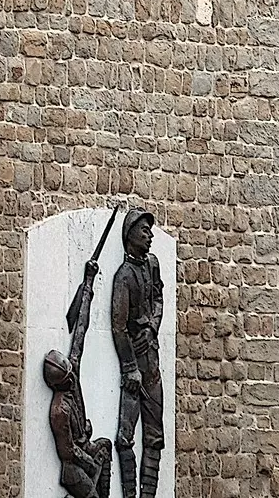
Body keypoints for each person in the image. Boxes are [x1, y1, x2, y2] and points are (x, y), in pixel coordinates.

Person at [46, 246, 113, 498]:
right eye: (68, 379)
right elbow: (67, 451)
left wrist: (88, 283)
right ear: (59, 384)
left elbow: (81, 330)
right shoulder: (59, 410)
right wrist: (90, 463)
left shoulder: (72, 374)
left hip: (85, 447)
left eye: (71, 374)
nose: (73, 379)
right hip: (73, 466)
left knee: (105, 447)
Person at [108, 209, 164, 498]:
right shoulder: (124, 276)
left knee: (155, 436)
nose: (150, 235)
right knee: (124, 435)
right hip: (134, 362)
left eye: (150, 230)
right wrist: (129, 367)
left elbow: (158, 298)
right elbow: (118, 326)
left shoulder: (152, 264)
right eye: (144, 230)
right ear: (130, 235)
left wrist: (153, 327)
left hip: (152, 360)